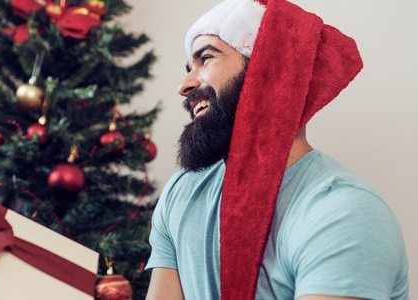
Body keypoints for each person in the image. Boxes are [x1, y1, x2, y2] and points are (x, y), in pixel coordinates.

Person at [145, 0, 409, 299]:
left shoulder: (344, 212)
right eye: (188, 67)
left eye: (206, 58)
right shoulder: (182, 191)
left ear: (269, 72)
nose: (185, 84)